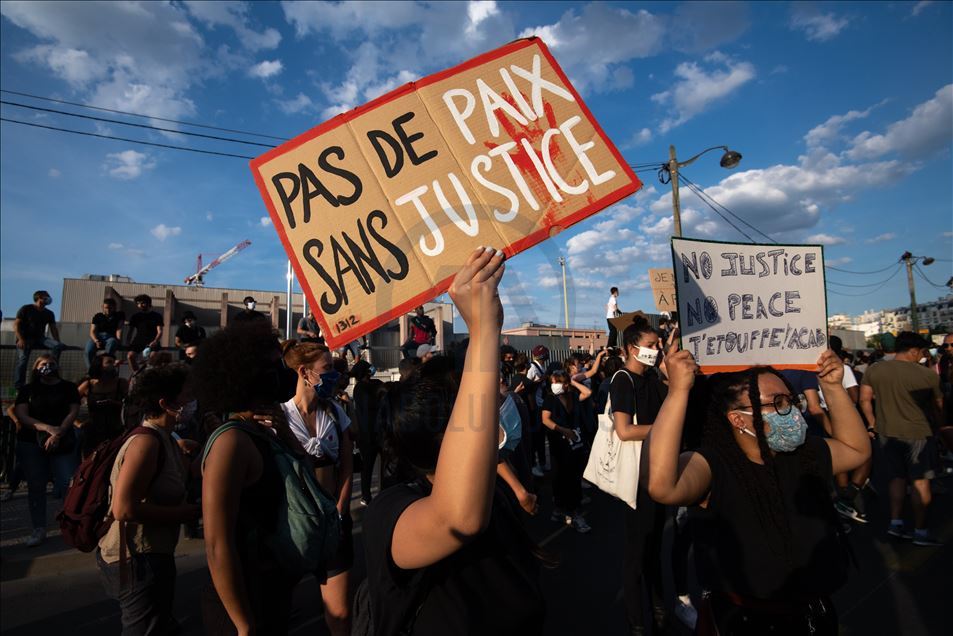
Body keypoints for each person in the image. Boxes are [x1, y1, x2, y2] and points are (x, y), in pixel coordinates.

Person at [364, 246, 546, 636]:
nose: (487, 414)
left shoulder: (490, 492)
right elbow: (457, 519)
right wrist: (483, 332)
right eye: (472, 408)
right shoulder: (392, 511)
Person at [647, 348, 870, 635]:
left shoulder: (804, 453)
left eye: (789, 400)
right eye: (776, 403)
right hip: (744, 623)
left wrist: (832, 387)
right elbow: (662, 487)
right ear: (738, 419)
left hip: (813, 616)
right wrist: (677, 391)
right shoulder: (713, 464)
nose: (789, 411)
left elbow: (856, 450)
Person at [193, 322, 313, 634]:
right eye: (275, 366)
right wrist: (243, 624)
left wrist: (285, 432)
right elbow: (218, 544)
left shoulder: (263, 430)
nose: (285, 374)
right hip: (242, 601)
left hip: (272, 586)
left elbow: (306, 479)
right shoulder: (230, 442)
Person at [96, 363, 201, 635]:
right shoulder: (146, 442)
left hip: (153, 555)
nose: (192, 402)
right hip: (137, 560)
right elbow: (123, 509)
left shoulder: (167, 437)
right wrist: (190, 513)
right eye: (187, 396)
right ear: (166, 403)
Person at [280, 340, 354, 636]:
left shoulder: (337, 413)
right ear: (304, 372)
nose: (333, 376)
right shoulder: (279, 417)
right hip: (294, 527)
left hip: (334, 522)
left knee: (340, 615)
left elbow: (348, 466)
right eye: (327, 370)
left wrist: (341, 509)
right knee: (276, 613)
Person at [610, 319, 669, 635]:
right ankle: (637, 622)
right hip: (636, 479)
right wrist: (665, 430)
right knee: (636, 551)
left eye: (658, 345)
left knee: (654, 546)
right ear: (632, 349)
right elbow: (624, 430)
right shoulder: (623, 381)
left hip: (658, 472)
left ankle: (660, 608)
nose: (656, 350)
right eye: (651, 345)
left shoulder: (656, 380)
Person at [859, 331, 944, 546]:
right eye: (921, 352)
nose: (922, 356)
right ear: (914, 351)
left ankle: (895, 523)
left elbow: (864, 399)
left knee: (897, 478)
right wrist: (939, 427)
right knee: (920, 481)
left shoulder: (875, 369)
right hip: (919, 434)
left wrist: (872, 422)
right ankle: (921, 531)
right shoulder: (927, 375)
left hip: (887, 433)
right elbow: (939, 407)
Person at [13, 355, 80, 547]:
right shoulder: (28, 389)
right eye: (42, 364)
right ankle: (39, 528)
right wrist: (47, 428)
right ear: (35, 368)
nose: (47, 367)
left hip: (62, 440)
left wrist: (58, 433)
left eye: (51, 363)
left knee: (68, 482)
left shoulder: (68, 387)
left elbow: (73, 411)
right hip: (31, 441)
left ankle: (70, 526)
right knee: (36, 485)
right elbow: (22, 414)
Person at [541, 369, 592, 532]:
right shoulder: (550, 399)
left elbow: (587, 392)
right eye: (552, 382)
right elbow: (545, 420)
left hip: (575, 443)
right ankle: (570, 512)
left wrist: (573, 381)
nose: (554, 385)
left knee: (574, 476)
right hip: (559, 443)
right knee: (563, 477)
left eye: (557, 382)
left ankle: (566, 509)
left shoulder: (572, 397)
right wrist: (563, 430)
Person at [13, 290, 66, 390]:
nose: (48, 299)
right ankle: (19, 385)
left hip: (40, 338)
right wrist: (20, 339)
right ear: (39, 298)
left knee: (58, 346)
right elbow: (16, 325)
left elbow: (53, 328)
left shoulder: (49, 313)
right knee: (23, 360)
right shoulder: (26, 309)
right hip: (25, 338)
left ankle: (51, 367)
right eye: (46, 297)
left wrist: (57, 341)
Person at [78, 354, 129, 455]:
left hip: (117, 430)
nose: (114, 364)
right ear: (99, 365)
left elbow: (132, 405)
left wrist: (114, 403)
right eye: (109, 362)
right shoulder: (88, 384)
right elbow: (69, 403)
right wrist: (78, 423)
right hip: (93, 431)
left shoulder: (121, 383)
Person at [352, 360, 385, 505]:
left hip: (373, 433)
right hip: (369, 434)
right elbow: (371, 404)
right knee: (368, 467)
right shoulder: (361, 388)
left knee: (376, 467)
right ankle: (367, 495)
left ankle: (380, 493)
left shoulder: (371, 385)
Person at [127, 295, 164, 374]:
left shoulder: (157, 316)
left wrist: (155, 341)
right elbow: (130, 331)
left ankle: (148, 374)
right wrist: (128, 342)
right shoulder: (135, 316)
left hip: (153, 341)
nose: (140, 305)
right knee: (130, 356)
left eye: (142, 303)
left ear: (148, 303)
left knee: (154, 357)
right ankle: (137, 374)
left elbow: (160, 331)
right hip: (138, 340)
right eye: (138, 303)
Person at [85, 298, 126, 369]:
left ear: (114, 307)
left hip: (110, 337)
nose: (108, 310)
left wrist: (118, 340)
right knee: (88, 350)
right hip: (98, 336)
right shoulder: (98, 316)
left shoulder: (119, 315)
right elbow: (92, 331)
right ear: (103, 307)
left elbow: (119, 329)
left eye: (110, 308)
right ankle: (90, 371)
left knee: (112, 343)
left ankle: (105, 367)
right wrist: (96, 340)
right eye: (106, 308)